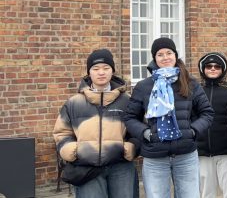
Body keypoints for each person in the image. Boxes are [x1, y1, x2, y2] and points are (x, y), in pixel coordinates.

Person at [124, 37, 213, 198]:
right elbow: (130, 117)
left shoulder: (190, 83)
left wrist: (192, 131)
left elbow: (207, 113)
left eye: (169, 53)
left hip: (186, 155)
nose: (165, 57)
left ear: (175, 55)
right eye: (160, 54)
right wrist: (146, 133)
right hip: (155, 157)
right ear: (154, 58)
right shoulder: (144, 86)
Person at [53, 49, 138, 198]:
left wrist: (131, 147)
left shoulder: (127, 101)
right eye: (96, 68)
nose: (101, 72)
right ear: (89, 72)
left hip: (121, 167)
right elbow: (62, 132)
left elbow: (137, 129)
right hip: (86, 169)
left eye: (106, 68)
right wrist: (73, 150)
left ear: (112, 71)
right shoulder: (74, 103)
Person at [196, 52, 227, 198]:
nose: (213, 69)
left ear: (223, 69)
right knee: (206, 193)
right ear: (203, 69)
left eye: (217, 66)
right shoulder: (195, 91)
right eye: (209, 66)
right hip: (202, 152)